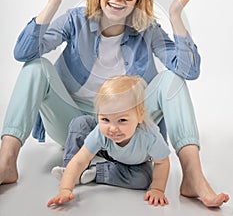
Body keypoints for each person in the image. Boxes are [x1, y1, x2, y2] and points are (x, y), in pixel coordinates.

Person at [0, 0, 229, 207]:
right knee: (35, 67)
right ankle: (6, 162)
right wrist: (53, 3)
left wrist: (176, 16)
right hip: (72, 124)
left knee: (172, 77)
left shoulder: (148, 30)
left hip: (129, 130)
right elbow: (24, 53)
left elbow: (188, 70)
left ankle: (193, 177)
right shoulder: (75, 19)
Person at [47, 75, 170, 207]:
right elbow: (80, 159)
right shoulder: (101, 131)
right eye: (105, 119)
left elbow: (162, 162)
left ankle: (97, 173)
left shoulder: (149, 135)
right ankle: (69, 173)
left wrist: (157, 189)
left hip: (135, 163)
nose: (112, 128)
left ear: (140, 115)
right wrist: (65, 189)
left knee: (143, 179)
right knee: (81, 123)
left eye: (122, 120)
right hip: (107, 150)